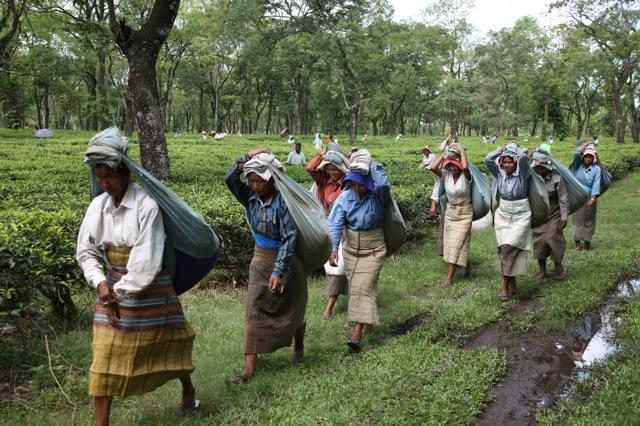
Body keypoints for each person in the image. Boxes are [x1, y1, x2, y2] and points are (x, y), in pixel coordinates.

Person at [77, 133, 198, 426]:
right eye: (100, 176)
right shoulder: (98, 207)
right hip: (112, 287)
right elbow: (86, 251)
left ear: (125, 172)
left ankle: (188, 390)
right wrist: (100, 283)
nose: (106, 183)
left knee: (170, 343)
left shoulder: (146, 206)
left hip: (150, 286)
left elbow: (145, 261)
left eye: (111, 176)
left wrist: (117, 292)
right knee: (104, 353)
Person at [224, 148, 307, 382]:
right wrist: (245, 157)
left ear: (271, 181)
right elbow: (230, 178)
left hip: (286, 259)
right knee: (253, 310)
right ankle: (249, 369)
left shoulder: (283, 203)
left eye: (259, 181)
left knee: (292, 310)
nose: (254, 185)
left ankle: (298, 345)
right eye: (251, 180)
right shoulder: (249, 197)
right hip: (260, 259)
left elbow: (290, 237)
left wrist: (279, 272)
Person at [327, 149, 390, 351]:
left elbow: (382, 184)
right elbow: (336, 224)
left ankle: (356, 333)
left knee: (364, 286)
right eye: (353, 183)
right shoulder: (345, 198)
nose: (357, 187)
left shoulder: (377, 196)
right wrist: (334, 249)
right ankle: (367, 321)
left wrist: (369, 163)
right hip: (352, 250)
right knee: (358, 288)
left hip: (374, 249)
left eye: (360, 183)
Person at [306, 145, 350, 320]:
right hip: (326, 224)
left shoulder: (347, 182)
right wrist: (323, 155)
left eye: (335, 169)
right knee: (334, 264)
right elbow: (310, 168)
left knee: (338, 266)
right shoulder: (323, 181)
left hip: (343, 226)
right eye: (329, 169)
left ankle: (329, 307)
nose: (332, 172)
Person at [485, 142, 532, 301]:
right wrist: (501, 148)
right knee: (504, 248)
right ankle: (512, 283)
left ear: (516, 162)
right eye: (504, 161)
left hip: (520, 215)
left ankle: (505, 287)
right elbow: (488, 159)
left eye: (510, 161)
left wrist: (515, 147)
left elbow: (525, 157)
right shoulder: (500, 173)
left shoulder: (523, 173)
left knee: (509, 248)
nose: (506, 164)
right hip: (503, 214)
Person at [429, 143, 473, 285]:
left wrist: (461, 150)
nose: (453, 168)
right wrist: (445, 153)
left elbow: (465, 166)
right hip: (451, 212)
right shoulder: (446, 175)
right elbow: (433, 167)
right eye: (450, 165)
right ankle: (468, 267)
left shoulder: (467, 176)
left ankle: (450, 278)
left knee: (457, 241)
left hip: (465, 212)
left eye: (455, 165)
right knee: (453, 243)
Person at [530, 148, 569, 280]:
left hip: (554, 212)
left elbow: (563, 198)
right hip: (539, 214)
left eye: (541, 167)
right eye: (537, 167)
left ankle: (558, 265)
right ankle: (542, 271)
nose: (539, 170)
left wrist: (564, 216)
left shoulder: (557, 179)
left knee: (553, 237)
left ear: (547, 167)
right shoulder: (533, 179)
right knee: (539, 241)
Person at [571, 142, 602, 251]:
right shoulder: (577, 166)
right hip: (577, 197)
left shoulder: (596, 169)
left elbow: (596, 183)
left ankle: (587, 240)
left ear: (593, 158)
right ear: (583, 157)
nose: (588, 159)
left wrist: (594, 197)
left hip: (590, 197)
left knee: (589, 219)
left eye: (590, 156)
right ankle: (577, 243)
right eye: (586, 156)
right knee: (577, 219)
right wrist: (586, 145)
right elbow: (576, 154)